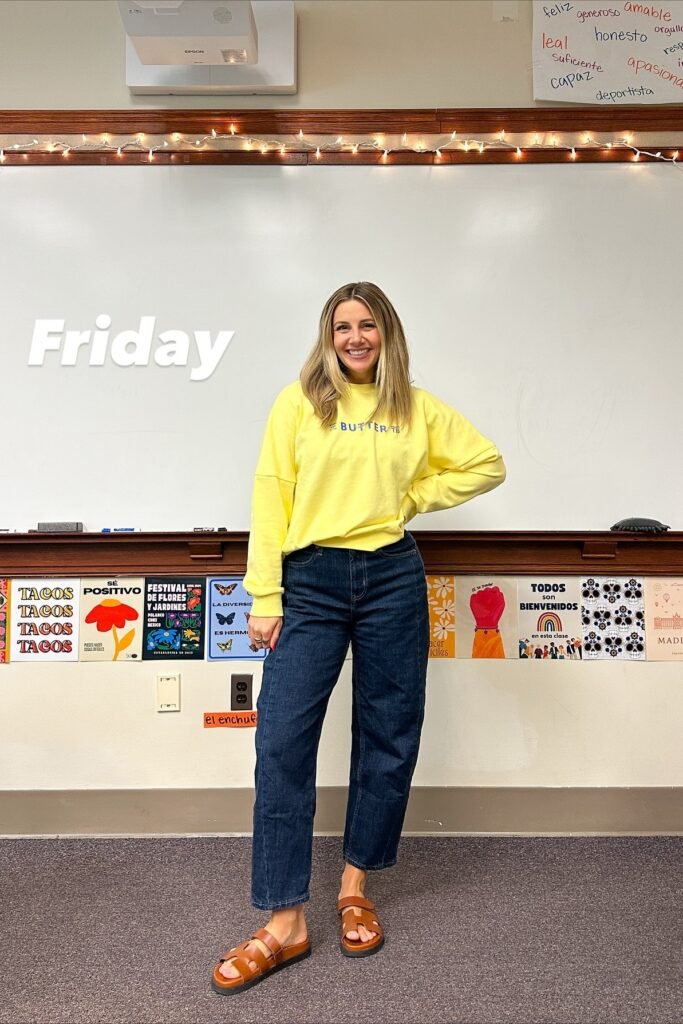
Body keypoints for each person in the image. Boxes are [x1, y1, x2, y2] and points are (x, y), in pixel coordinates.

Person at [211, 281, 506, 996]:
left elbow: (486, 463)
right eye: (341, 326)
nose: (353, 338)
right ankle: (285, 921)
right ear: (327, 335)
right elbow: (268, 495)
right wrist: (265, 593)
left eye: (365, 325)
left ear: (386, 334)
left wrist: (410, 498)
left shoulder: (414, 407)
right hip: (307, 582)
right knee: (281, 741)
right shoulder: (299, 402)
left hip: (391, 579)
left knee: (388, 734)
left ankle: (353, 887)